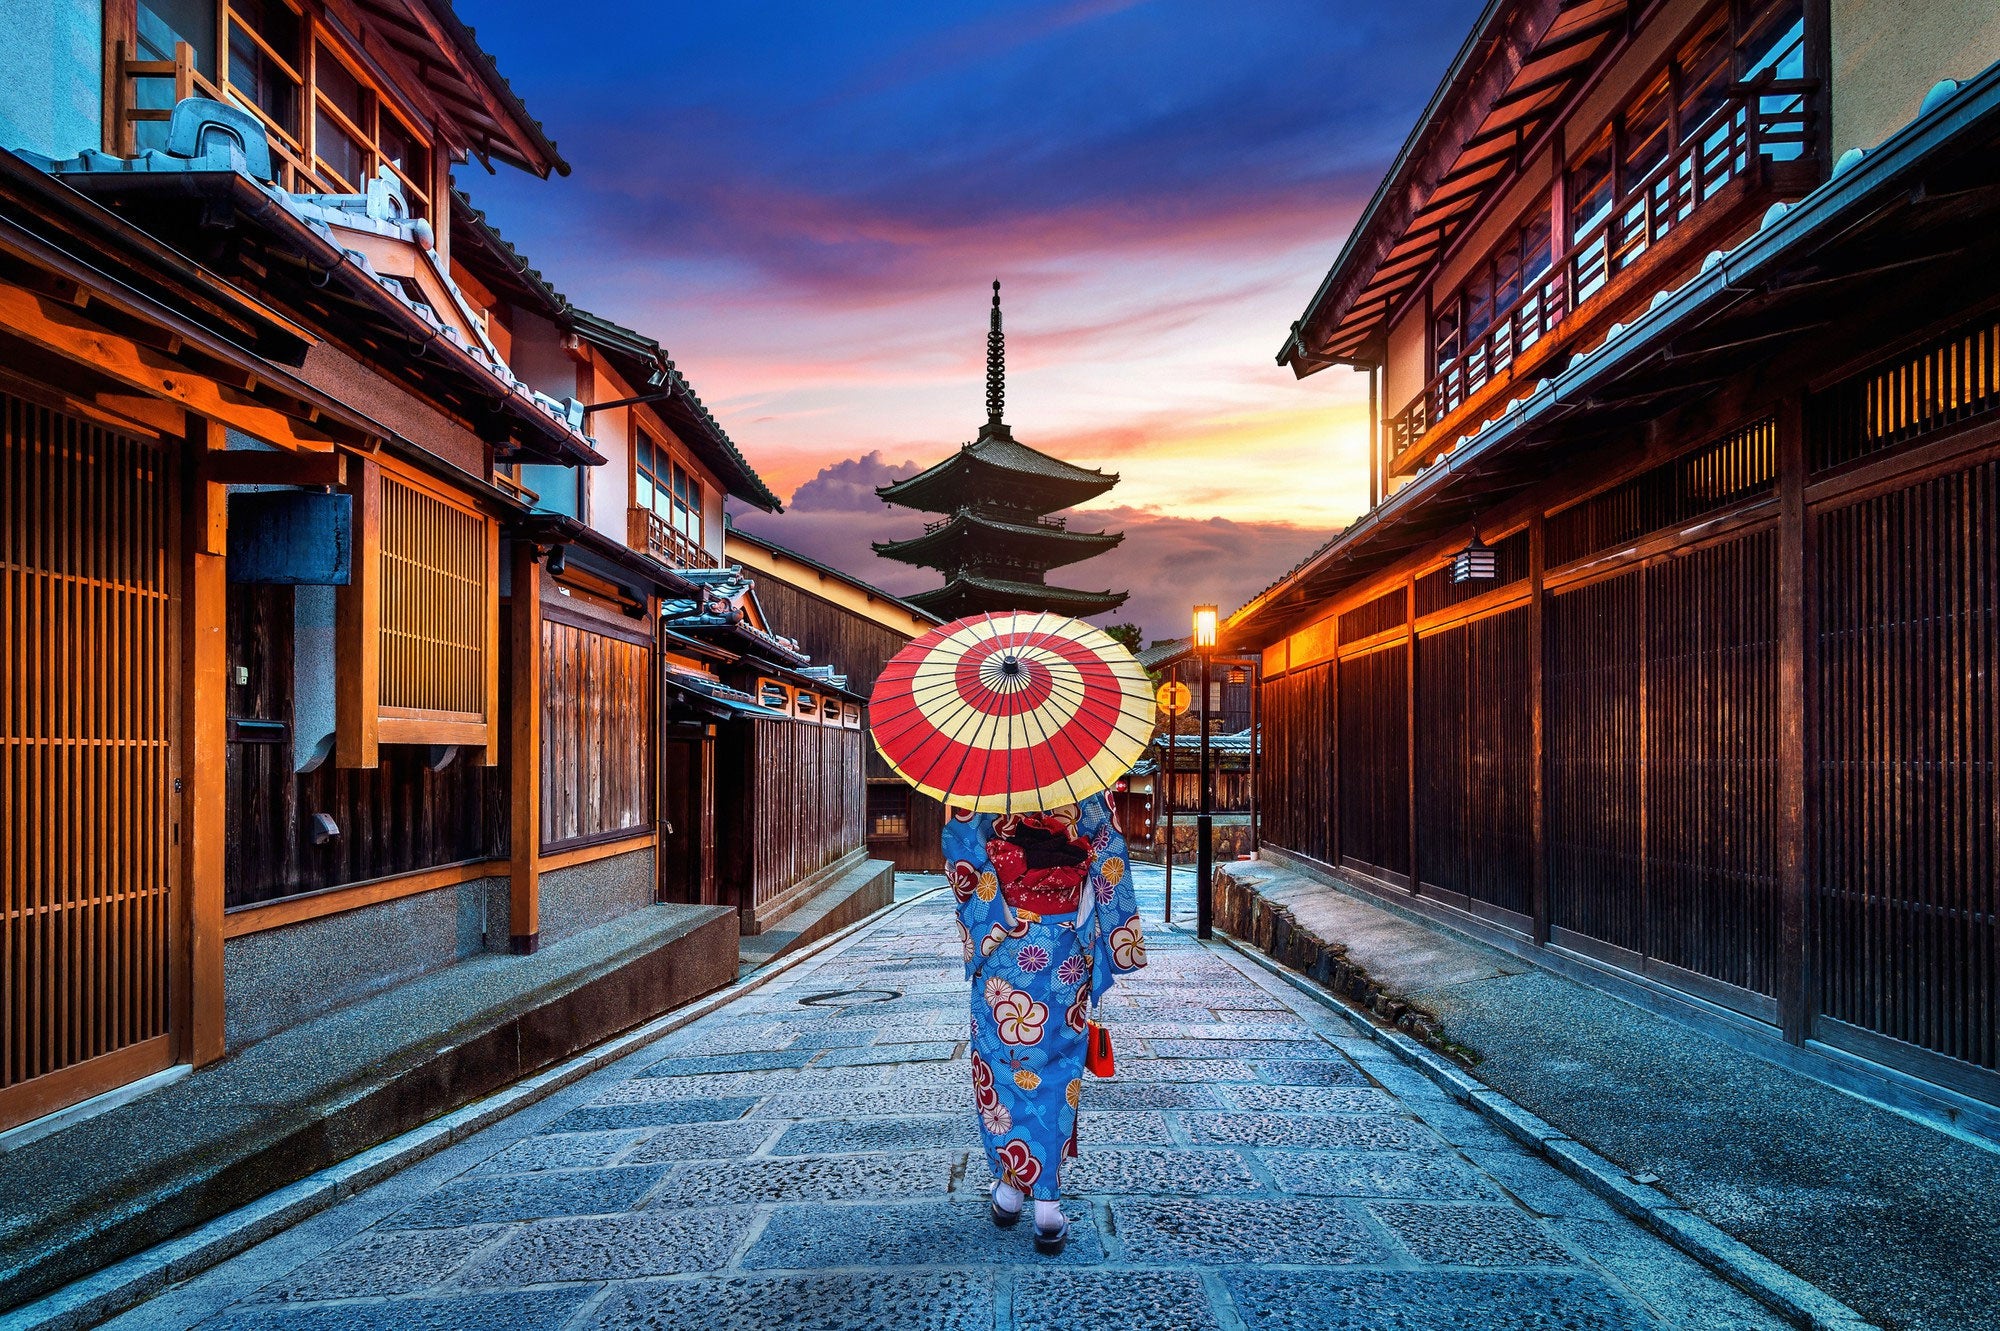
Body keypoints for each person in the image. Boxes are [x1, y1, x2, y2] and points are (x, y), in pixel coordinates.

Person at [945, 790, 1145, 1255]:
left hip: (1005, 943)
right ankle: (1047, 1203)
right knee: (1056, 1067)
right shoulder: (1085, 778)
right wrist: (1106, 932)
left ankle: (1012, 1189)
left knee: (999, 1064)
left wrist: (995, 924)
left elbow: (963, 856)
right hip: (1064, 944)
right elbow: (1109, 854)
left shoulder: (976, 784)